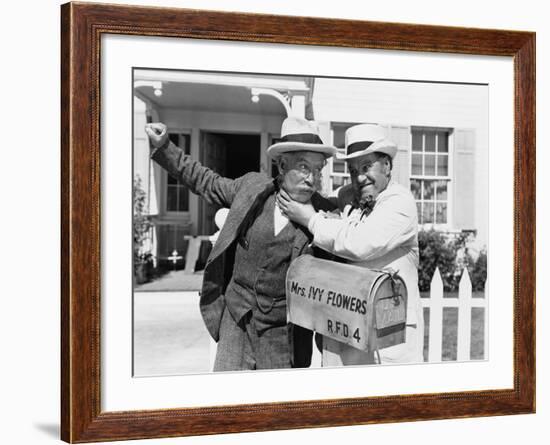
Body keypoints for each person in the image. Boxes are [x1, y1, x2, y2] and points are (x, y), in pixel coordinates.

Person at [145, 117, 337, 371]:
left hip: (283, 336)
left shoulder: (323, 216)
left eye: (317, 169)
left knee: (276, 409)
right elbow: (206, 181)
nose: (311, 178)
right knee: (227, 403)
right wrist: (166, 146)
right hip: (236, 321)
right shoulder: (252, 188)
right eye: (303, 167)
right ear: (281, 164)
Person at [277, 123, 424, 365]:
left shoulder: (400, 202)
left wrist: (311, 218)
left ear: (387, 166)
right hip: (349, 330)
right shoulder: (350, 196)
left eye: (367, 167)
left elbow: (360, 242)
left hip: (389, 335)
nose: (359, 177)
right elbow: (324, 199)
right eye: (353, 170)